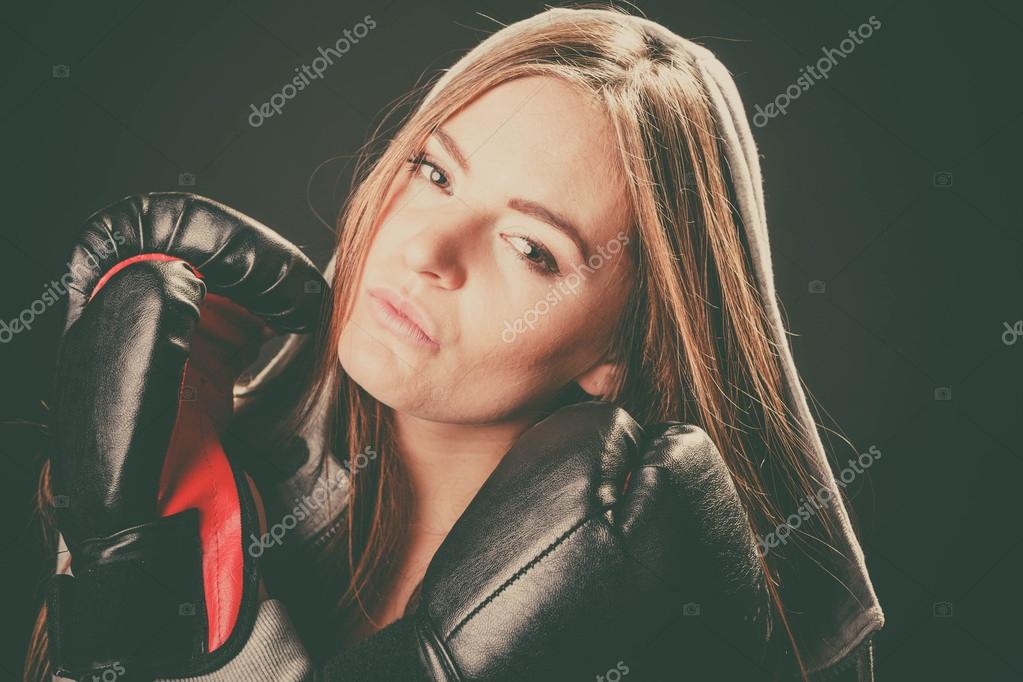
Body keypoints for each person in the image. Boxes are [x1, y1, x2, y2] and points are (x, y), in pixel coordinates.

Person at [26, 6, 883, 681]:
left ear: (615, 352)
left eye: (530, 248)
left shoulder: (643, 616)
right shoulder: (195, 462)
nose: (426, 253)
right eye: (433, 172)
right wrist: (134, 545)